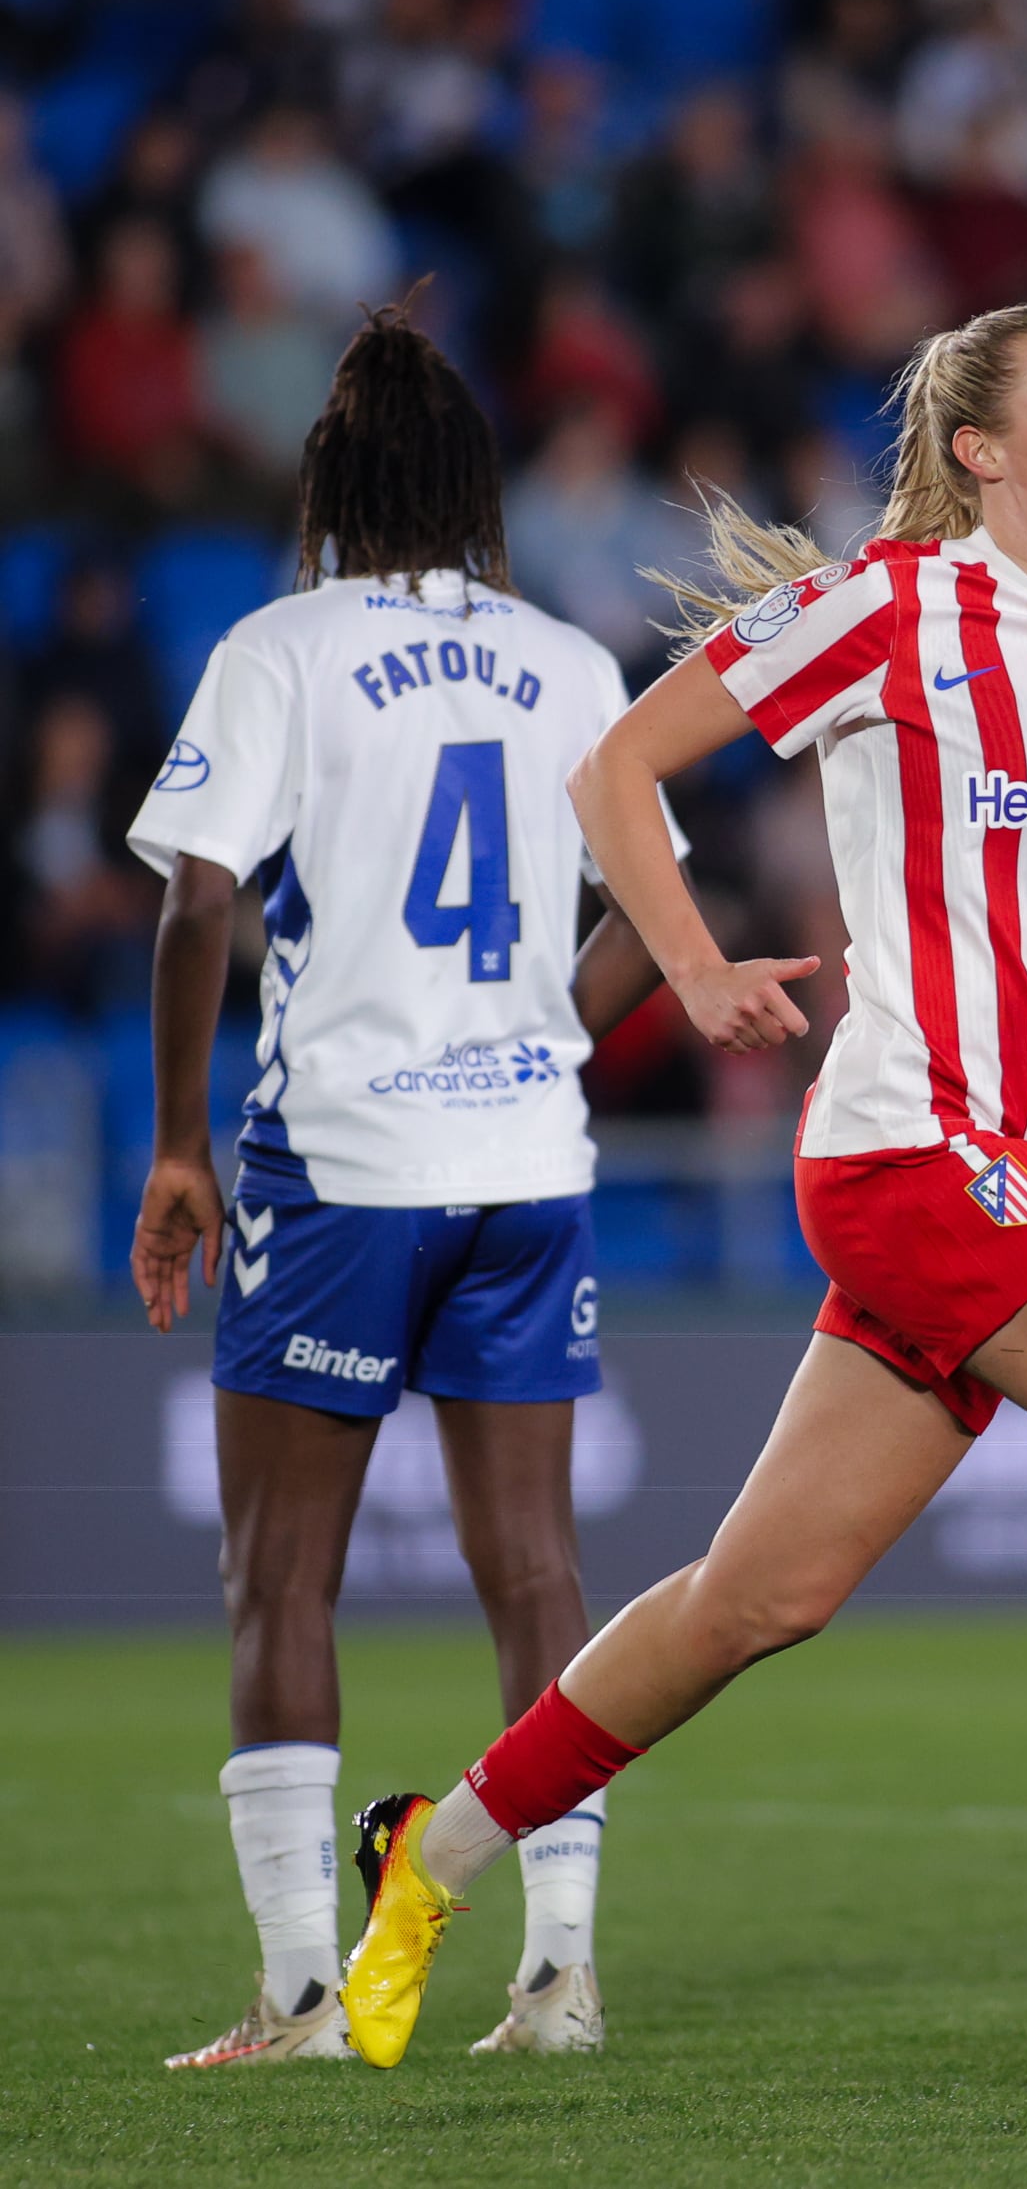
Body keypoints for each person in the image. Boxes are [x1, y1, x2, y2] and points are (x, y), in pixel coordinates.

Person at [336, 302, 1027, 2073]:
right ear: (982, 451)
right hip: (916, 1143)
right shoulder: (885, 607)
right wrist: (693, 963)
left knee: (759, 1597)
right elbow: (612, 767)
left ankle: (440, 1848)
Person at [127, 301, 685, 2066]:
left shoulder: (282, 647)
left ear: (334, 484)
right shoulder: (571, 660)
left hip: (345, 1167)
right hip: (527, 1164)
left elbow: (197, 900)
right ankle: (561, 1976)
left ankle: (302, 1992)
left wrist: (177, 1144)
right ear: (475, 487)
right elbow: (653, 920)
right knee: (535, 1569)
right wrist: (540, 1048)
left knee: (281, 1576)